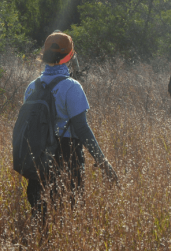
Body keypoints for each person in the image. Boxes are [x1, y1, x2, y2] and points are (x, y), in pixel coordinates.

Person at [23, 31, 117, 213]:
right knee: (69, 211)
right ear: (69, 55)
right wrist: (103, 162)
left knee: (40, 212)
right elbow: (82, 128)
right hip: (67, 153)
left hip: (38, 153)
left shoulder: (32, 86)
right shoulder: (72, 87)